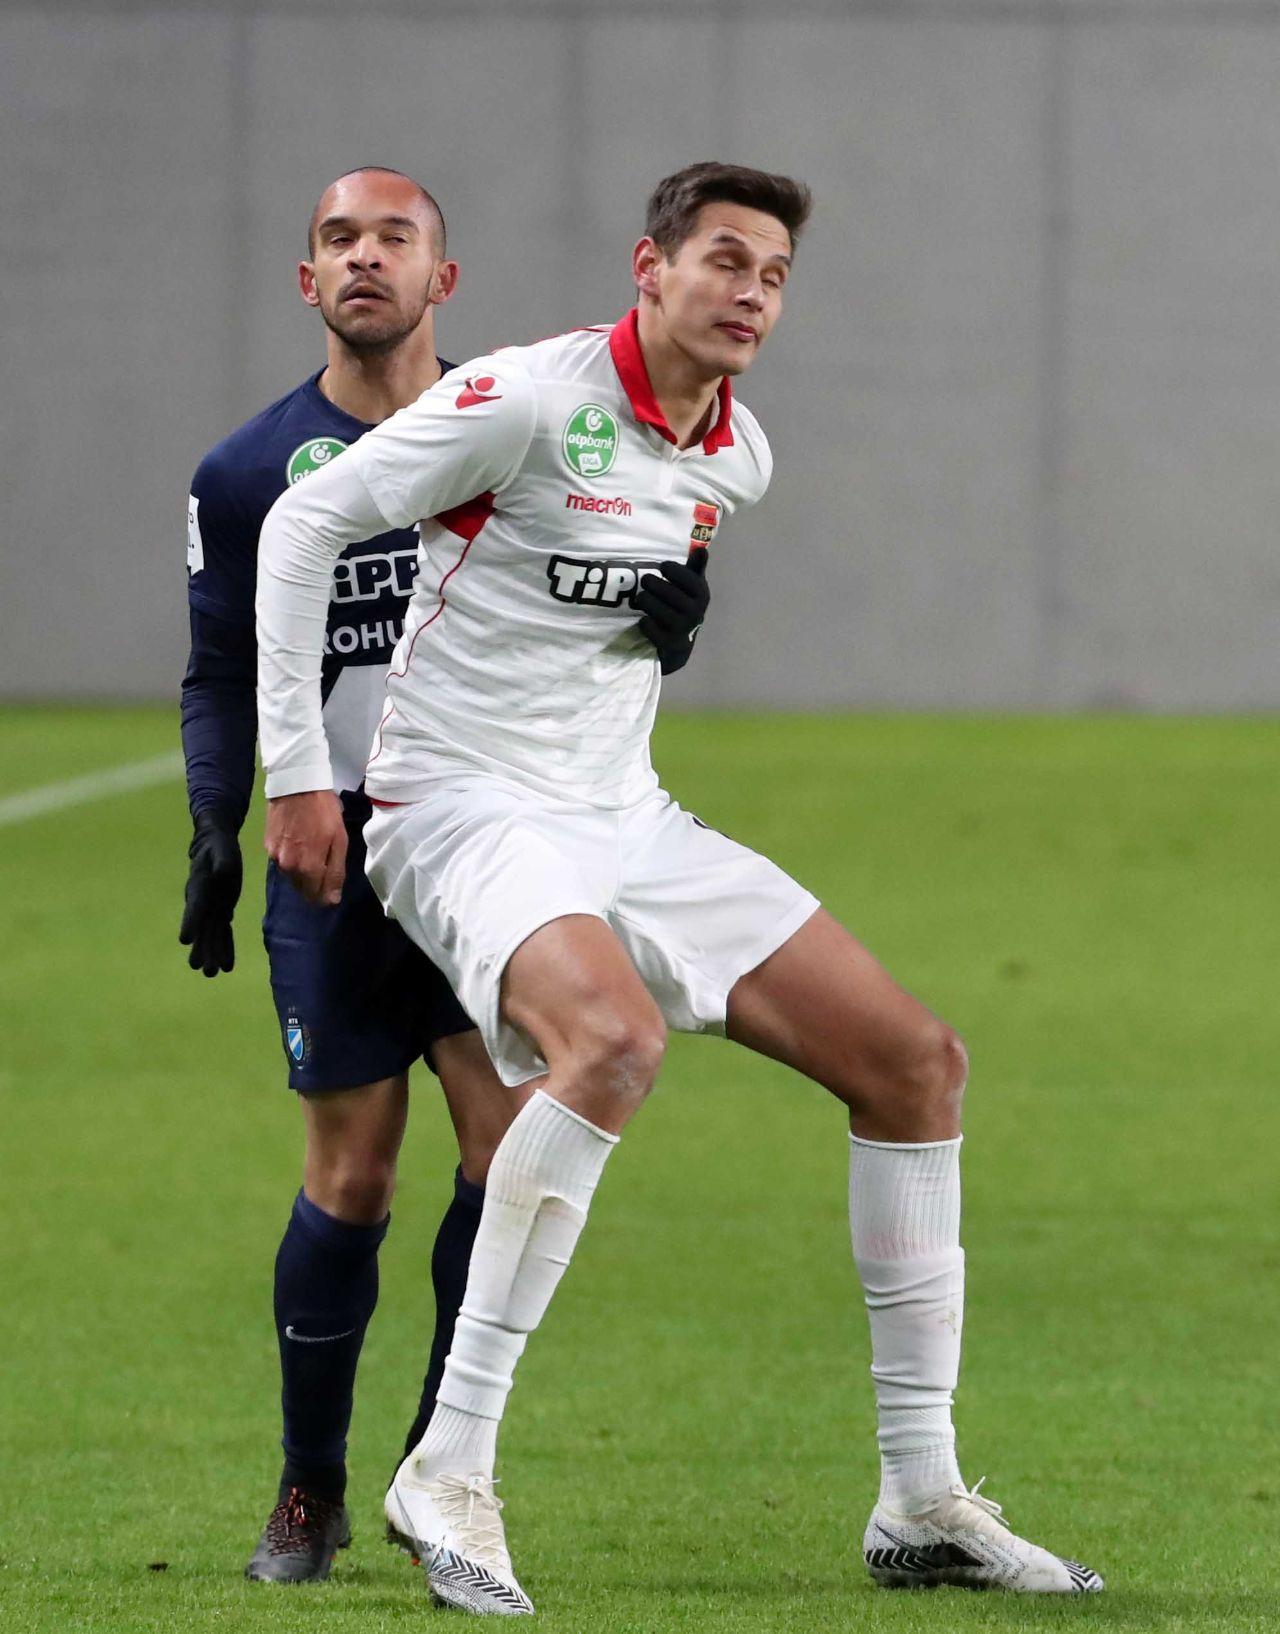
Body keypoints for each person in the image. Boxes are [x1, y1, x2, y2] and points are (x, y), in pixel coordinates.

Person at [254, 161, 1103, 1614]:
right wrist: (292, 773)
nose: (750, 292)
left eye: (773, 274)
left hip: (623, 814)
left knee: (916, 1063)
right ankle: (445, 1467)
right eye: (723, 259)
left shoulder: (736, 454)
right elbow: (302, 525)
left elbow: (622, 580)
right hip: (460, 802)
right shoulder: (526, 398)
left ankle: (919, 1498)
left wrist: (663, 616)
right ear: (650, 270)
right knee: (611, 1041)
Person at [179, 163, 719, 1585]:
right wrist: (217, 822)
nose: (366, 257)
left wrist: (668, 620)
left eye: (395, 237)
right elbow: (218, 668)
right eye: (338, 239)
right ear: (308, 279)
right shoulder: (248, 471)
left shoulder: (531, 424)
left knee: (507, 1142)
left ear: (444, 277)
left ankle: (440, 1473)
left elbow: (608, 595)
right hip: (330, 853)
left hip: (489, 835)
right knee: (353, 1173)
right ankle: (309, 1486)